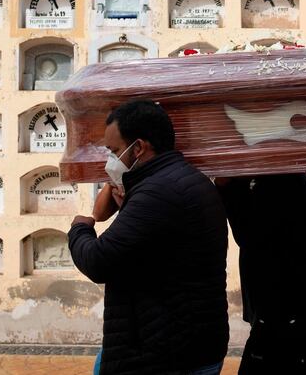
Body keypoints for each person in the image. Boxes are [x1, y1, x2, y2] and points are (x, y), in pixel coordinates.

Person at [68, 100, 229, 375]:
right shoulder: (187, 180)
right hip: (188, 343)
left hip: (165, 354)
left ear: (139, 147)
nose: (111, 160)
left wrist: (80, 228)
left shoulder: (158, 193)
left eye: (115, 151)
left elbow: (97, 261)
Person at [215, 173, 306, 375]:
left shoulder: (280, 180)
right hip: (288, 305)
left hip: (286, 308)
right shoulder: (291, 176)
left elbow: (249, 235)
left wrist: (227, 188)